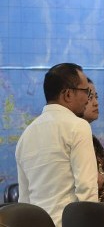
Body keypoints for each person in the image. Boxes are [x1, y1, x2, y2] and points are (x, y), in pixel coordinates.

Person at [15, 63, 98, 227]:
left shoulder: (26, 136)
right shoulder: (78, 126)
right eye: (86, 92)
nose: (88, 99)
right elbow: (87, 192)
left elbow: (24, 200)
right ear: (68, 94)